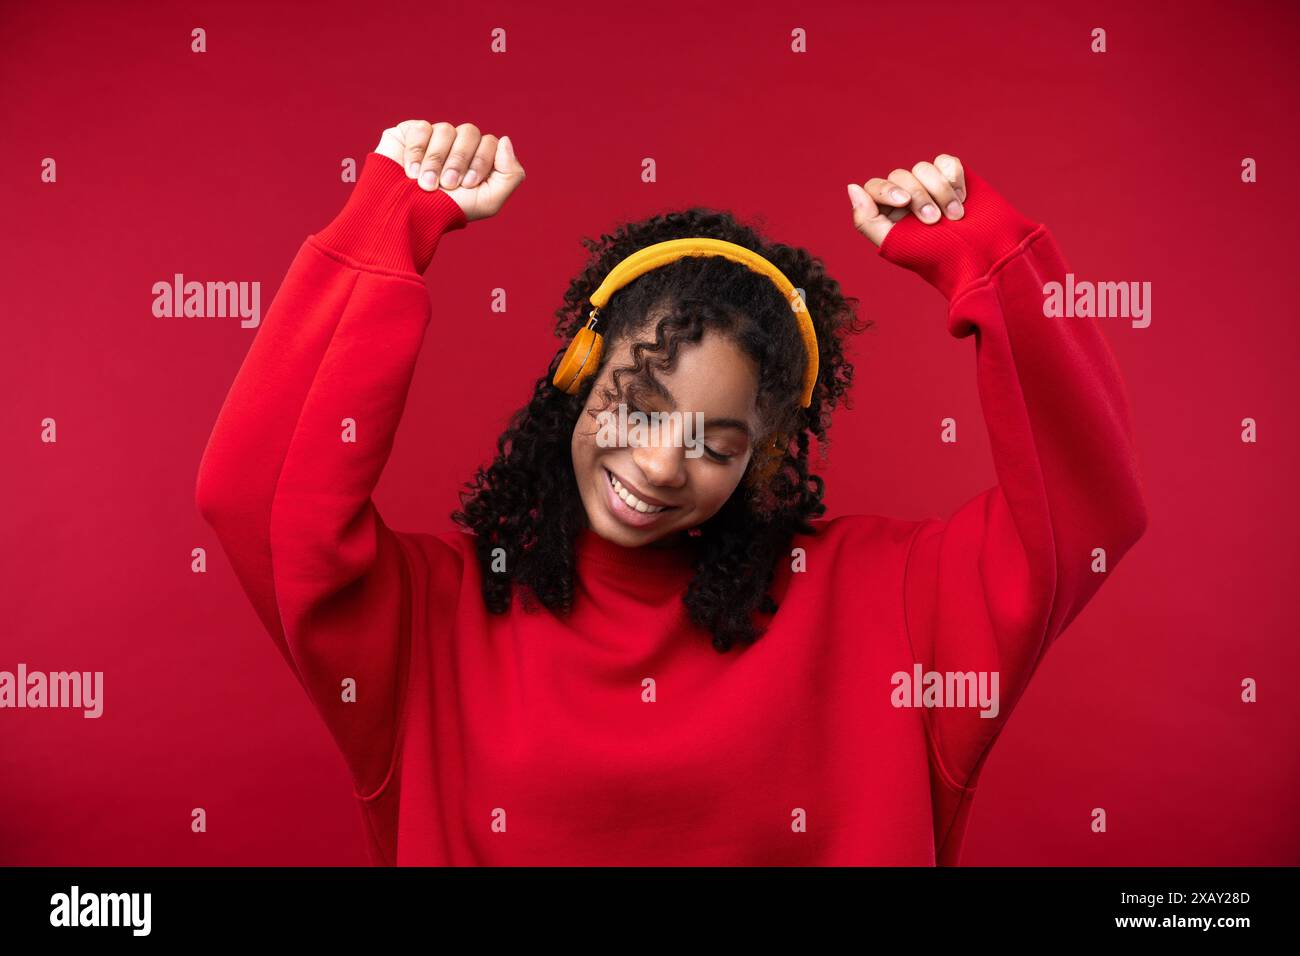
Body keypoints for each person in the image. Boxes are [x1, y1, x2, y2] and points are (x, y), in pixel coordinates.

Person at [195, 120, 1148, 865]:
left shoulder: (891, 606)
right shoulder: (429, 623)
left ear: (765, 459)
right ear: (577, 373)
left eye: (715, 445)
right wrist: (386, 227)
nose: (657, 468)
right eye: (635, 407)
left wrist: (992, 262)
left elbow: (1089, 512)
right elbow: (256, 499)